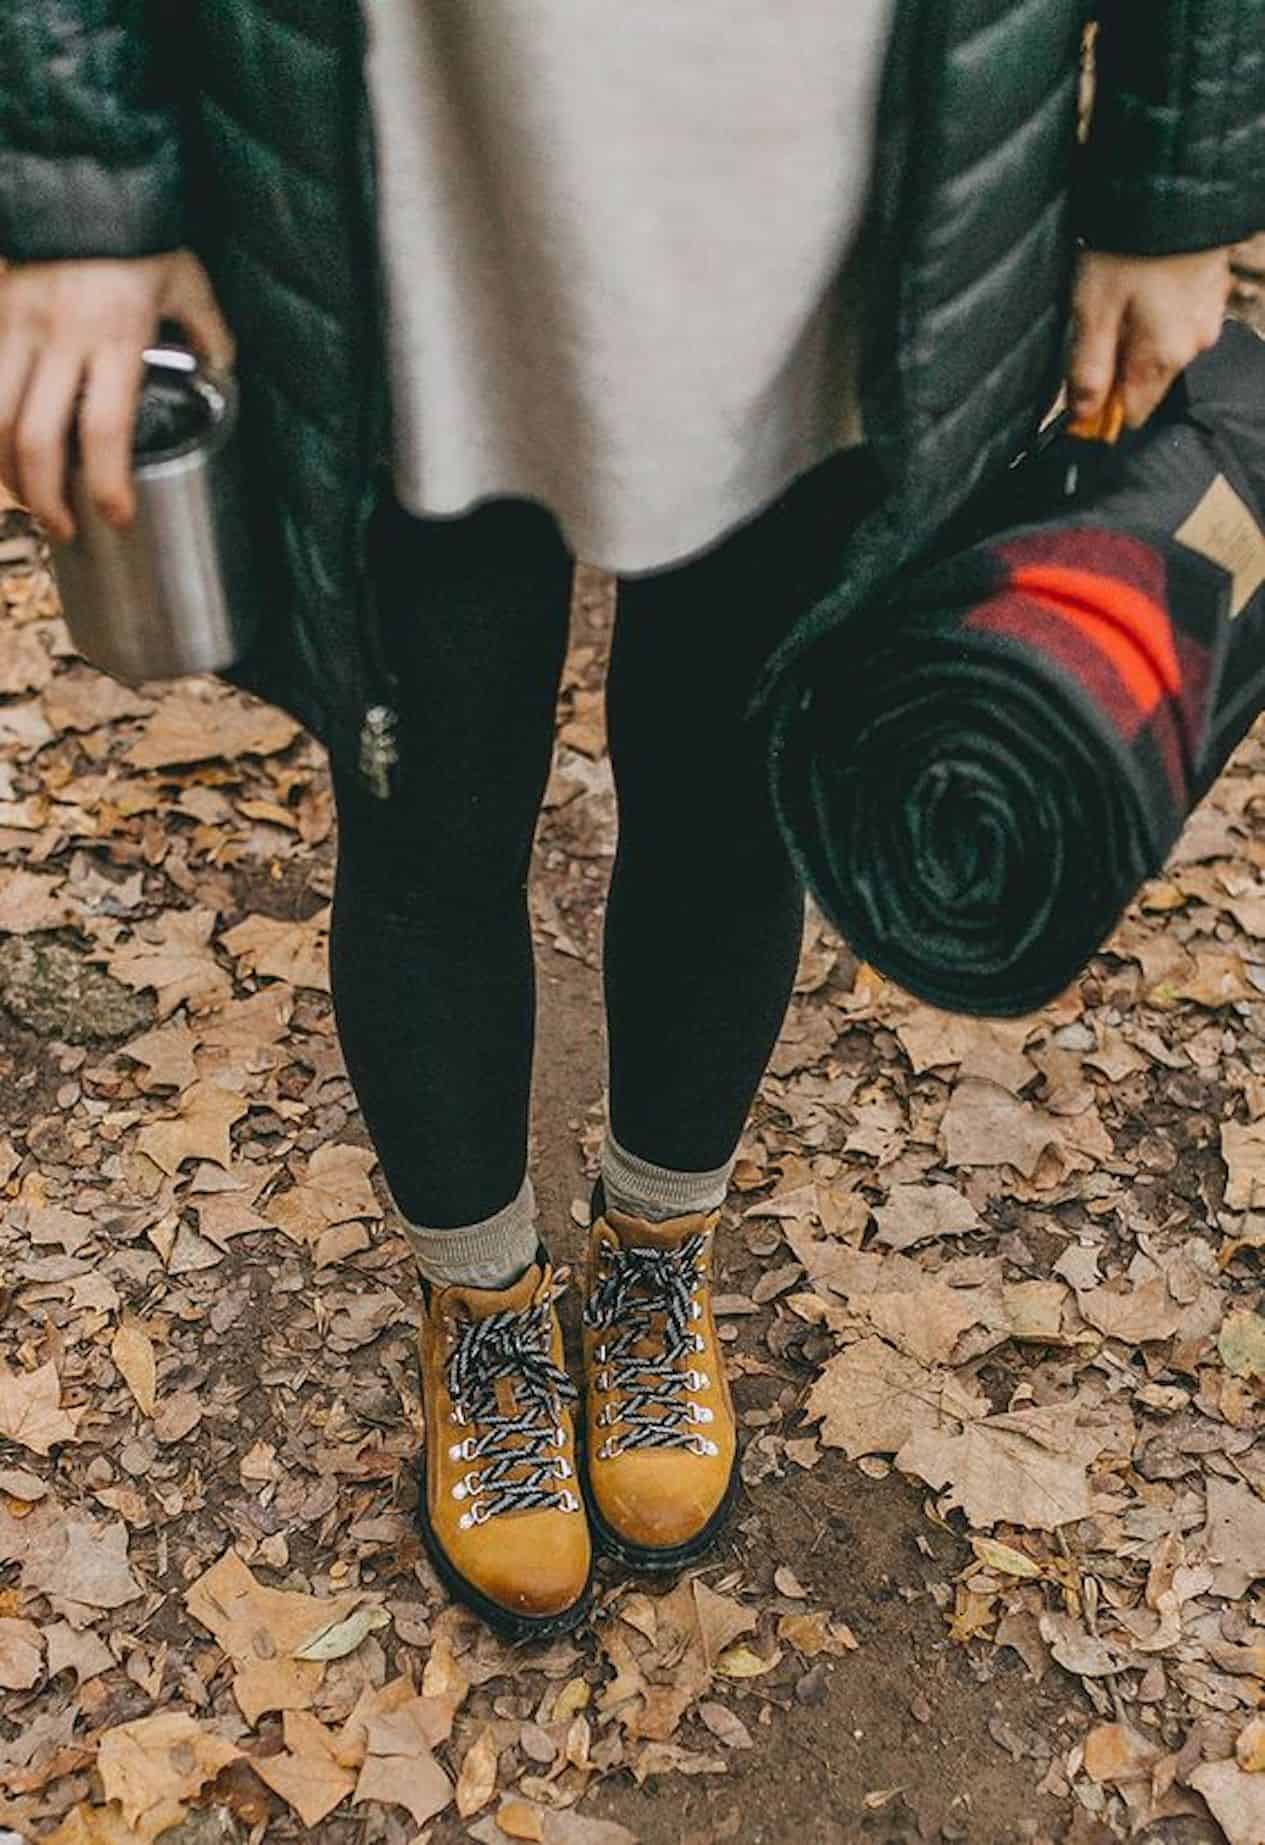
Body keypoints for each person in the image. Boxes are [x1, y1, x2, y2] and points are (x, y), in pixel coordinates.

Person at [0, 3, 1261, 1642]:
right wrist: (81, 186)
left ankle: (655, 1254)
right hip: (411, 174)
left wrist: (1173, 181)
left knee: (734, 804)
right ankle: (486, 1301)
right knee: (427, 819)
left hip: (843, 185)